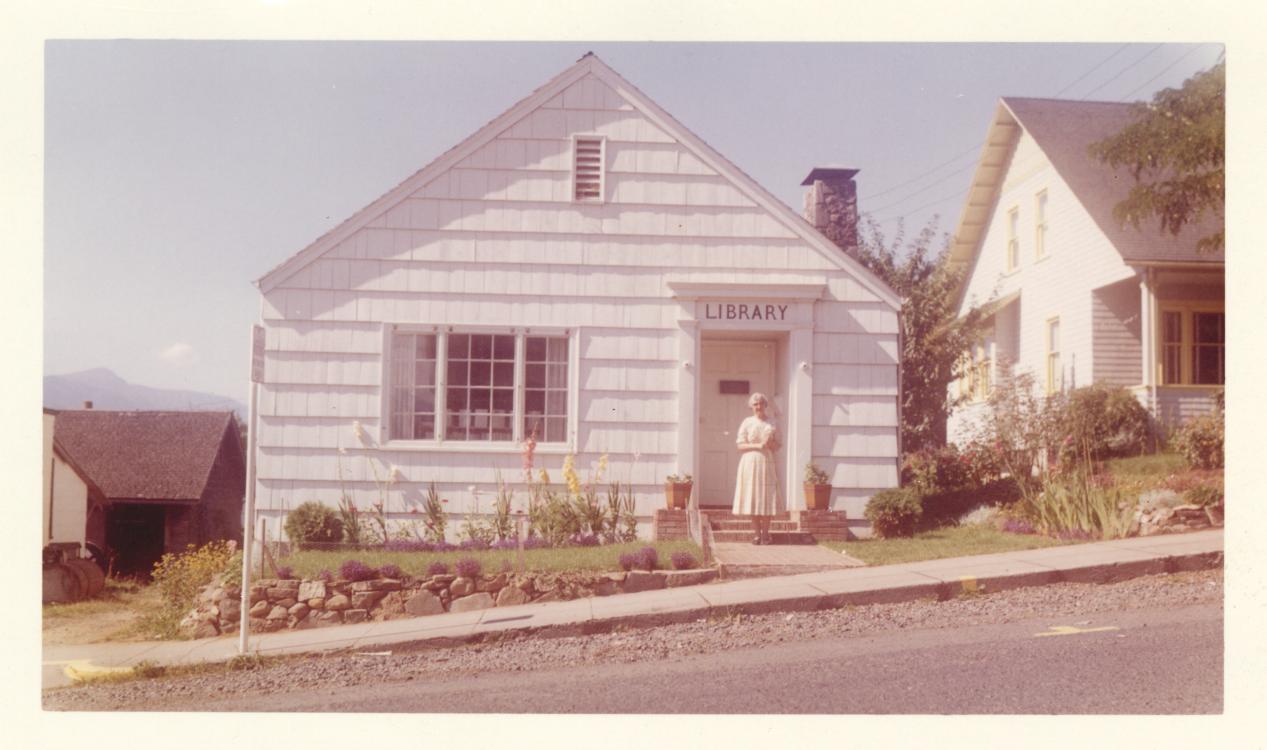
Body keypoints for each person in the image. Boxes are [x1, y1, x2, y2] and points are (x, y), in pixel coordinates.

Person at [732, 392, 782, 544]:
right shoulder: (747, 422)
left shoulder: (772, 422)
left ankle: (766, 534)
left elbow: (778, 445)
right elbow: (740, 445)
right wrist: (757, 445)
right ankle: (756, 535)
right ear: (751, 406)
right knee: (752, 497)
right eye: (755, 404)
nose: (758, 407)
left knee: (766, 497)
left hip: (766, 461)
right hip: (750, 461)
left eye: (761, 403)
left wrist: (770, 443)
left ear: (765, 405)